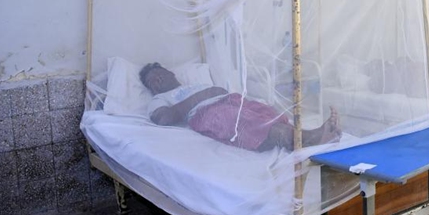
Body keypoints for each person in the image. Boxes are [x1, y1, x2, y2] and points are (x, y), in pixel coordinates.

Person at [139, 63, 341, 152]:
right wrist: (202, 96)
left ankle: (310, 135)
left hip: (230, 100)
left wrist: (209, 92)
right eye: (152, 81)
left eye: (160, 74)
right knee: (250, 123)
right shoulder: (161, 99)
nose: (157, 80)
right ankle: (308, 140)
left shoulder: (193, 85)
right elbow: (163, 118)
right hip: (207, 113)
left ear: (172, 74)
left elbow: (217, 90)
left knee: (268, 114)